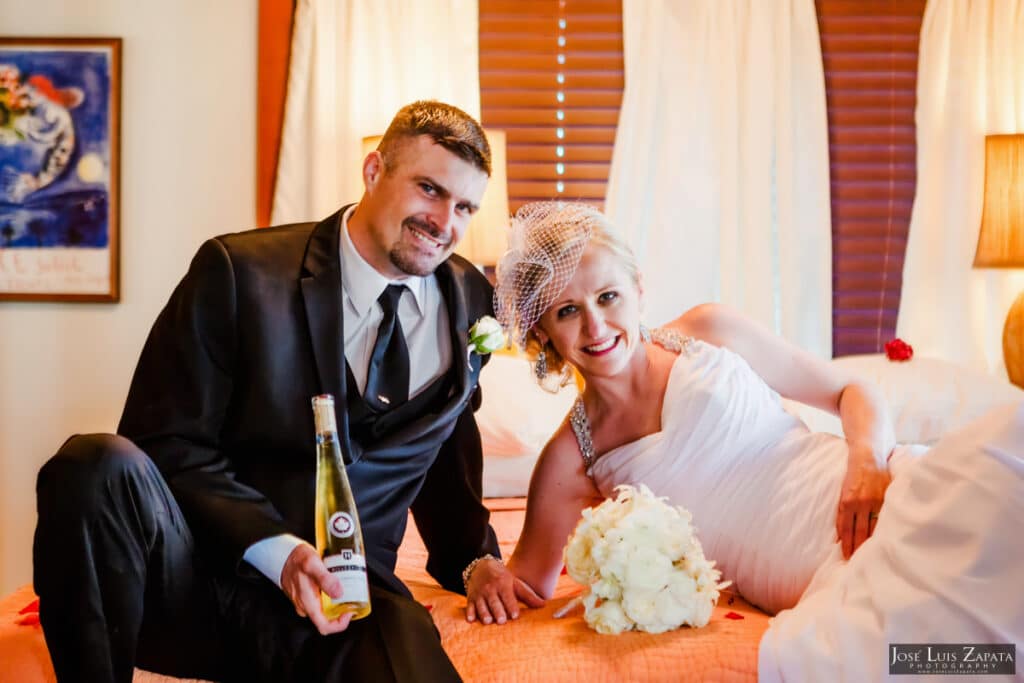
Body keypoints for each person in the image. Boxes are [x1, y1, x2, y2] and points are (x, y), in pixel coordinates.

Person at [33, 100, 503, 683]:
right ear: (374, 169)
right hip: (201, 587)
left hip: (349, 602)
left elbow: (444, 442)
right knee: (93, 462)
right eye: (429, 189)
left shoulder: (472, 302)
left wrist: (475, 559)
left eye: (465, 207)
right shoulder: (239, 271)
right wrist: (277, 552)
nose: (444, 221)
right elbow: (163, 442)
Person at [465, 202, 1023, 680]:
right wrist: (480, 568)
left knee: (996, 513)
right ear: (542, 333)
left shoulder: (708, 332)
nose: (596, 327)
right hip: (821, 577)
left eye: (608, 296)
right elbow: (525, 585)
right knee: (959, 659)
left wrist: (868, 461)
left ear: (638, 288)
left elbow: (853, 388)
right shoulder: (569, 460)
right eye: (568, 311)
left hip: (875, 490)